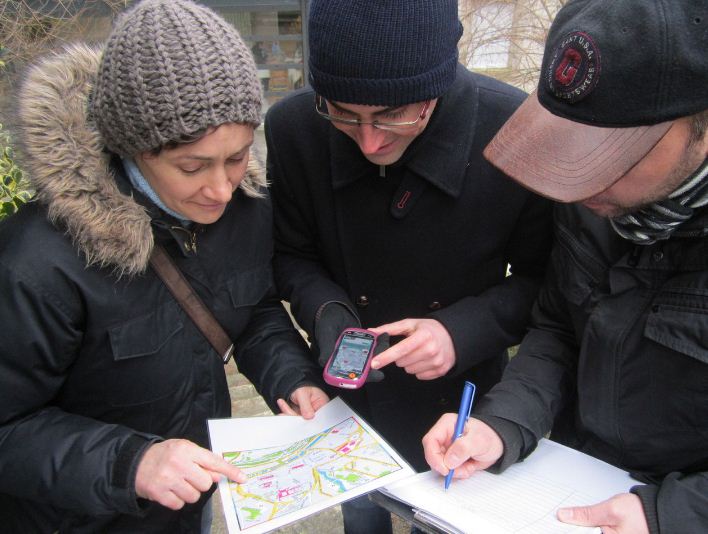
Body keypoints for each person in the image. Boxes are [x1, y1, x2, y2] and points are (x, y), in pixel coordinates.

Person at [0, 0, 329, 532]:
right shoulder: (36, 260)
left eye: (239, 155)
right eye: (192, 166)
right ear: (131, 148)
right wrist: (131, 463)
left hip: (187, 508)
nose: (222, 188)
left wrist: (292, 378)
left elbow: (253, 309)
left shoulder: (244, 208)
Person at [265, 0, 553, 531]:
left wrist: (460, 331)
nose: (371, 141)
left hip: (464, 405)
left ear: (439, 86)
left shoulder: (515, 130)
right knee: (363, 516)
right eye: (345, 115)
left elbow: (547, 283)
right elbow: (292, 253)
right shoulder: (294, 128)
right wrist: (329, 313)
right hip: (355, 405)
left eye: (395, 115)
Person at [423, 1, 708, 533]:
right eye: (574, 145)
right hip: (572, 483)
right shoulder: (595, 202)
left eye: (609, 153)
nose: (578, 185)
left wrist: (672, 515)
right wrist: (502, 423)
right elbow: (558, 328)